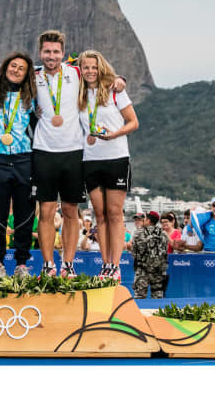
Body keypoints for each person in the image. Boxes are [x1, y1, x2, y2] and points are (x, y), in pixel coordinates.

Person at [33, 33, 127, 278]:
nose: (51, 56)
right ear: (40, 52)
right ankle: (48, 265)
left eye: (56, 52)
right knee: (45, 210)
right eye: (47, 51)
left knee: (70, 210)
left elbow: (100, 75)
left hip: (74, 152)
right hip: (43, 151)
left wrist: (119, 80)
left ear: (63, 54)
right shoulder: (33, 77)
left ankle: (67, 263)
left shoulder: (74, 74)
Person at [77, 50, 138, 280]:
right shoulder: (79, 94)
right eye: (86, 67)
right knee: (100, 214)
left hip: (116, 157)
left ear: (100, 68)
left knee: (115, 213)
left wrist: (114, 134)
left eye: (94, 67)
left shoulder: (114, 91)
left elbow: (133, 122)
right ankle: (106, 264)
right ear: (80, 70)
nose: (90, 71)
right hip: (90, 159)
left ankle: (116, 263)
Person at [0, 52, 37, 278]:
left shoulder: (32, 99)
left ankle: (21, 264)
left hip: (23, 158)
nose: (16, 70)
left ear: (27, 74)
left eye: (21, 68)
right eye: (13, 66)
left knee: (24, 214)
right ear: (5, 67)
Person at [130, 211, 167, 298]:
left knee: (139, 296)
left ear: (149, 220)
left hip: (142, 269)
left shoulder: (138, 233)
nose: (143, 220)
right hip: (158, 271)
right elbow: (164, 251)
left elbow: (133, 252)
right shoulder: (163, 234)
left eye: (145, 218)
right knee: (157, 296)